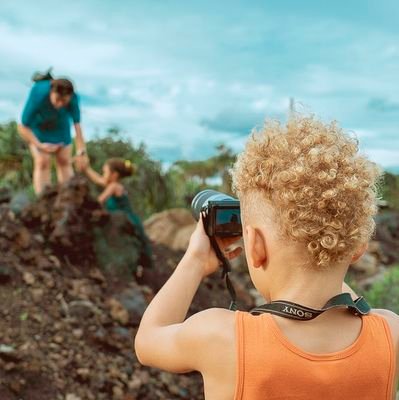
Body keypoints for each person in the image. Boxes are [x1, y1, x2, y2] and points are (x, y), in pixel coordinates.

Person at [135, 115, 399, 399]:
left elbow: (148, 340)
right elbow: (347, 296)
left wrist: (195, 261)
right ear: (358, 247)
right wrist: (335, 251)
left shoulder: (221, 337)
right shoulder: (390, 334)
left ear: (256, 246)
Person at [79, 157, 153, 269]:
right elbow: (99, 180)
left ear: (114, 175)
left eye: (105, 172)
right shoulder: (113, 185)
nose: (103, 175)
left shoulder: (113, 187)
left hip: (127, 221)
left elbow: (99, 201)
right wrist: (86, 169)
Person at [18, 76, 87, 194]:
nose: (60, 104)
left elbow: (77, 125)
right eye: (57, 99)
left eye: (64, 101)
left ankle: (67, 198)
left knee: (64, 161)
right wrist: (39, 145)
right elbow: (23, 127)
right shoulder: (38, 93)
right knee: (42, 161)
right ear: (51, 92)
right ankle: (43, 199)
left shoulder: (74, 98)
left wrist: (81, 151)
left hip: (61, 128)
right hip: (39, 130)